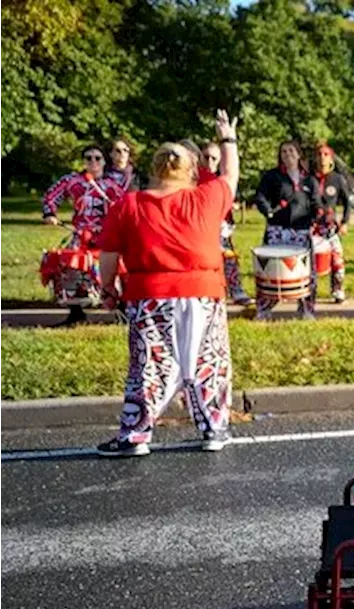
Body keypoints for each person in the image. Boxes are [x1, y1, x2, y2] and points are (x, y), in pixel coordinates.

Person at [94, 110, 239, 457]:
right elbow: (230, 175)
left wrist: (109, 289)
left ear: (154, 169)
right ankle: (213, 428)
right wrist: (227, 138)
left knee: (149, 365)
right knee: (208, 361)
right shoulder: (206, 197)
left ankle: (135, 434)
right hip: (203, 292)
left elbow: (109, 255)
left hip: (151, 296)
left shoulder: (128, 205)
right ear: (191, 171)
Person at [41, 145, 125, 325]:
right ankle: (76, 312)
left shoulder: (111, 185)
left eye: (97, 158)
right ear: (83, 161)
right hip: (80, 234)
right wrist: (50, 214)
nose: (93, 162)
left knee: (117, 267)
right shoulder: (72, 181)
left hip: (105, 235)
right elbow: (50, 196)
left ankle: (122, 309)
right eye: (88, 158)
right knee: (70, 266)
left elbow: (124, 207)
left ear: (104, 161)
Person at [253, 141, 319, 319]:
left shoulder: (309, 179)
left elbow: (316, 203)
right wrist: (268, 212)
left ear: (298, 154)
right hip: (277, 230)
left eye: (291, 150)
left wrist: (319, 217)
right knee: (270, 271)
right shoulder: (272, 177)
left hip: (302, 231)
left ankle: (306, 309)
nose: (287, 154)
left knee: (306, 273)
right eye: (283, 151)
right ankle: (264, 309)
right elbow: (260, 197)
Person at [201, 142, 250, 306]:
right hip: (203, 227)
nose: (209, 162)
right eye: (206, 157)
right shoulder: (195, 179)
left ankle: (236, 290)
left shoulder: (222, 179)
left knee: (229, 260)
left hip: (223, 226)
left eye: (214, 158)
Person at [312, 142, 350, 304]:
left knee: (337, 260)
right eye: (319, 154)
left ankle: (337, 290)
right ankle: (309, 291)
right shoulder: (308, 179)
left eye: (326, 154)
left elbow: (348, 202)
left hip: (331, 228)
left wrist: (345, 222)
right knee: (310, 262)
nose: (322, 158)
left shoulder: (337, 179)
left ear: (331, 159)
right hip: (312, 228)